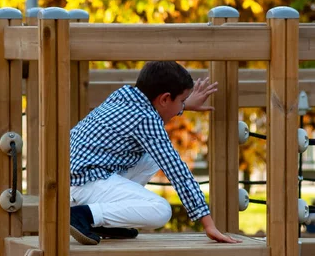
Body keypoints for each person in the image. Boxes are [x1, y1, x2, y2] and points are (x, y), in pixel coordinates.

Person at [69, 61, 242, 245]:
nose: (181, 107)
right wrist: (209, 225)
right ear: (165, 99)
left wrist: (184, 105)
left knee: (151, 158)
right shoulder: (146, 119)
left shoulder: (125, 96)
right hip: (86, 184)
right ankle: (81, 216)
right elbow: (178, 172)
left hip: (75, 179)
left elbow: (157, 111)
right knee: (160, 210)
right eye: (181, 101)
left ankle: (101, 222)